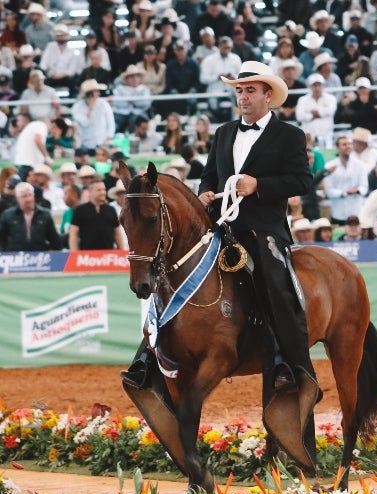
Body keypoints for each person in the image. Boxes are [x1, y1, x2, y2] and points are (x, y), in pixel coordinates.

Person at [123, 59, 318, 411]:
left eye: (250, 91)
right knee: (170, 270)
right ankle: (147, 361)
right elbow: (210, 175)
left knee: (274, 281)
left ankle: (288, 364)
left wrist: (259, 185)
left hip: (264, 229)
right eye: (239, 91)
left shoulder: (289, 135)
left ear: (268, 95)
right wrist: (205, 193)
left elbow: (303, 181)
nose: (242, 97)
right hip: (221, 224)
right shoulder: (224, 132)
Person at [0, 181, 62, 251]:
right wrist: (1, 254)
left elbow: (54, 239)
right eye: (24, 196)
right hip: (15, 257)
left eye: (30, 195)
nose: (28, 199)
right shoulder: (8, 215)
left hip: (39, 256)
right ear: (17, 198)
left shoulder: (45, 214)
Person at [322, 136, 368, 223]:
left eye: (349, 144)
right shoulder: (329, 166)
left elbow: (364, 187)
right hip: (338, 213)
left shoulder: (359, 164)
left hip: (356, 212)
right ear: (337, 148)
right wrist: (344, 193)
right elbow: (329, 191)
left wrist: (357, 190)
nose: (348, 146)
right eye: (344, 144)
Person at [70, 181, 124, 250]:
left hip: (108, 255)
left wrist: (121, 251)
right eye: (99, 190)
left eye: (104, 189)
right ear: (90, 192)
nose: (103, 192)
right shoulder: (80, 210)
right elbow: (73, 233)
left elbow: (117, 233)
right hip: (86, 256)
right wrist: (74, 253)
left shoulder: (111, 210)